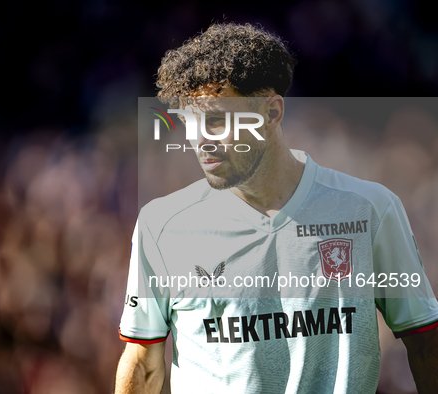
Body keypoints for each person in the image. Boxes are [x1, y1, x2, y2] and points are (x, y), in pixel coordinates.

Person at [115, 23, 438, 393]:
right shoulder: (162, 225)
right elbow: (143, 359)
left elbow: (426, 339)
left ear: (272, 113)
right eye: (189, 121)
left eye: (217, 119)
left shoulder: (370, 209)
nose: (200, 140)